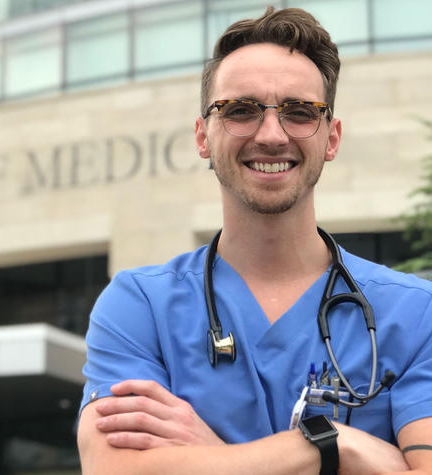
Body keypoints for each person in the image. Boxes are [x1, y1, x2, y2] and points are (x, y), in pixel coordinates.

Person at [77, 7, 432, 475]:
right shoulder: (139, 305)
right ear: (203, 136)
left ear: (332, 138)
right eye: (240, 110)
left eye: (300, 111)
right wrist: (334, 445)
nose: (271, 134)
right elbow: (115, 469)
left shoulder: (415, 313)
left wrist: (211, 453)